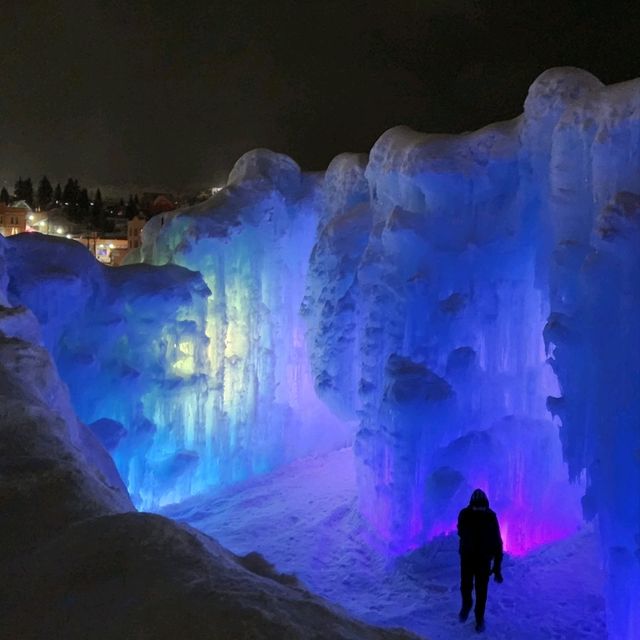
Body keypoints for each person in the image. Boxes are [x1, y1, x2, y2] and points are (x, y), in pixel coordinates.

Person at [457, 488, 503, 633]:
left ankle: (479, 618)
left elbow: (497, 542)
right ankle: (467, 604)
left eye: (481, 506)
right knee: (465, 585)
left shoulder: (490, 517)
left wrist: (497, 567)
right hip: (467, 558)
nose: (478, 509)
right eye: (476, 506)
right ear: (471, 505)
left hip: (483, 561)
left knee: (481, 591)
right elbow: (461, 532)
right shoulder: (464, 514)